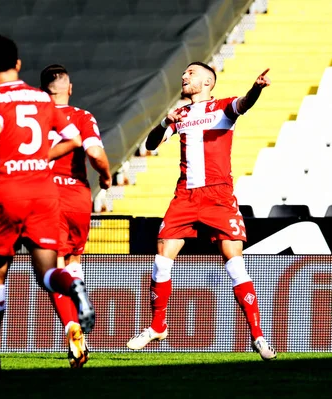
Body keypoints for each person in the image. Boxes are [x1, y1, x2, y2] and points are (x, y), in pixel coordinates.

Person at [0, 35, 95, 373]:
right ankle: (73, 284)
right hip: (44, 191)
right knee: (48, 271)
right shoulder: (41, 98)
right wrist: (41, 157)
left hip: (9, 190)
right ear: (18, 64)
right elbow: (74, 139)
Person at [126, 61, 277, 360]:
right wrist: (161, 122)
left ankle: (258, 336)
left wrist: (255, 89)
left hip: (218, 195)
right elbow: (151, 144)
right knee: (162, 256)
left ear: (207, 82)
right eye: (184, 73)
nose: (183, 77)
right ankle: (158, 325)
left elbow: (244, 104)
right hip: (185, 195)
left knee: (234, 263)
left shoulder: (222, 108)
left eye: (190, 74)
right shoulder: (179, 114)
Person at [39, 64, 112, 368]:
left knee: (53, 267)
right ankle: (79, 338)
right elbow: (94, 154)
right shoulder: (83, 117)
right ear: (69, 88)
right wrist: (106, 178)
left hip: (46, 195)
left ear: (44, 90)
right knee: (74, 262)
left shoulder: (34, 118)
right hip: (78, 196)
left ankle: (72, 326)